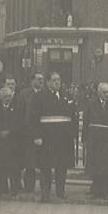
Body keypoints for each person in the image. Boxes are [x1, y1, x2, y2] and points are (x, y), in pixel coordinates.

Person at [30, 72, 78, 203]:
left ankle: (60, 192)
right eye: (54, 80)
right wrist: (37, 136)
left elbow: (73, 118)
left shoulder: (66, 96)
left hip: (63, 139)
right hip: (47, 138)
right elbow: (33, 118)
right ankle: (45, 193)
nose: (57, 82)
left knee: (61, 166)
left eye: (59, 80)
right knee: (46, 167)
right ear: (47, 82)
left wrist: (73, 135)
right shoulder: (39, 96)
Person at [82, 83, 108, 200]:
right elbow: (86, 120)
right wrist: (84, 139)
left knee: (106, 164)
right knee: (95, 163)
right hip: (94, 137)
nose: (107, 94)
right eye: (105, 92)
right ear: (99, 92)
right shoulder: (91, 103)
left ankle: (105, 190)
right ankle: (95, 190)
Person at [0, 86, 25, 198]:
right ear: (0, 97)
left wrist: (9, 132)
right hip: (0, 142)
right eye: (5, 96)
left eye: (9, 96)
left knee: (14, 167)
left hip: (12, 142)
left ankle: (14, 188)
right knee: (1, 167)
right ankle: (2, 188)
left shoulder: (17, 109)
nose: (7, 99)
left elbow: (20, 124)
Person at [17, 72, 44, 193]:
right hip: (28, 132)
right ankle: (29, 187)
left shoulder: (45, 93)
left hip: (43, 131)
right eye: (38, 79)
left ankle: (44, 188)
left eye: (43, 79)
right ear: (32, 80)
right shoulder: (24, 94)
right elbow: (20, 112)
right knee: (30, 162)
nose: (41, 81)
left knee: (43, 161)